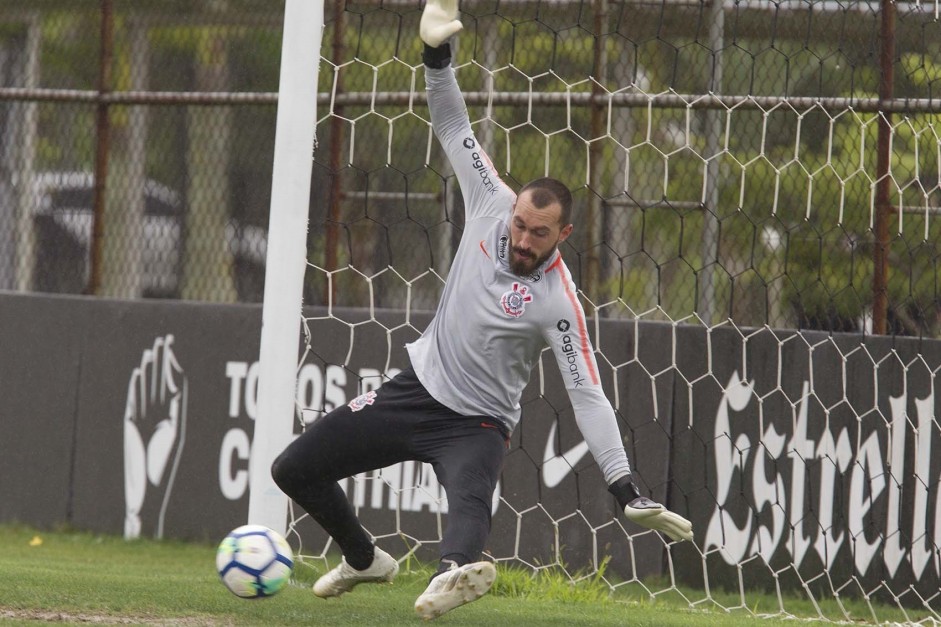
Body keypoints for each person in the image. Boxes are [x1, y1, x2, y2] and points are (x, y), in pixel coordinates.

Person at [270, 0, 693, 619]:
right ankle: (363, 558)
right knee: (293, 468)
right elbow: (451, 123)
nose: (522, 240)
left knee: (469, 512)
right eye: (521, 225)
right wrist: (435, 56)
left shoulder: (559, 301)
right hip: (416, 388)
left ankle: (454, 573)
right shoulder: (489, 199)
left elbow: (587, 395)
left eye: (539, 234)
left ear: (563, 236)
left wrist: (623, 488)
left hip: (477, 424)